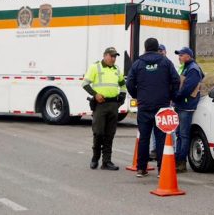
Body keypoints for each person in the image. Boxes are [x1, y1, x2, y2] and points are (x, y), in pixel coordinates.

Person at [126, 38, 179, 177]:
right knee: (161, 138)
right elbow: (176, 80)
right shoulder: (166, 62)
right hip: (162, 106)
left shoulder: (138, 63)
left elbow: (129, 82)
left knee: (144, 137)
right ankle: (162, 169)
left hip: (144, 106)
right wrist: (171, 95)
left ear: (145, 48)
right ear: (157, 48)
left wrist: (137, 95)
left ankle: (141, 168)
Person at [82, 47, 127, 171]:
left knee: (110, 134)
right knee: (99, 133)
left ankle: (106, 162)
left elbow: (123, 84)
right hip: (100, 105)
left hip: (113, 105)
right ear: (105, 55)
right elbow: (85, 84)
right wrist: (95, 94)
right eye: (111, 56)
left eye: (115, 56)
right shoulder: (95, 67)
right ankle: (95, 157)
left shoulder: (117, 69)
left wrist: (122, 98)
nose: (113, 59)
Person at [173, 47, 204, 172]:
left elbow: (187, 89)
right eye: (179, 55)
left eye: (181, 55)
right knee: (179, 134)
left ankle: (181, 162)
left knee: (183, 135)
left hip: (186, 106)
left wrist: (175, 96)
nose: (179, 57)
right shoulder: (186, 67)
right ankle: (178, 159)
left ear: (188, 56)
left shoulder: (193, 69)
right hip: (181, 105)